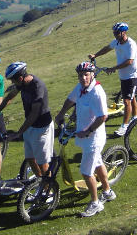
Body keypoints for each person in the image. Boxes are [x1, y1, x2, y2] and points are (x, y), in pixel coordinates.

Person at [54, 62, 115, 218]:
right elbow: (70, 99)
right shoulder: (81, 88)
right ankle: (107, 192)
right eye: (80, 75)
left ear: (92, 75)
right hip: (85, 134)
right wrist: (61, 113)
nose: (83, 77)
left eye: (86, 74)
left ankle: (95, 203)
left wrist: (88, 131)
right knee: (98, 163)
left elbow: (103, 116)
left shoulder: (97, 93)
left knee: (86, 172)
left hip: (93, 138)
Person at [0, 61, 54, 182]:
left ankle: (49, 190)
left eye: (13, 80)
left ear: (20, 77)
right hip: (30, 126)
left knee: (42, 163)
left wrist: (19, 132)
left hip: (42, 128)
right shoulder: (23, 83)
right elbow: (10, 96)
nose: (12, 83)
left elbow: (34, 114)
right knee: (30, 159)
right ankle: (41, 184)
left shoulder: (37, 87)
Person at [88, 22, 137, 137]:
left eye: (117, 33)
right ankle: (135, 118)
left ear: (124, 32)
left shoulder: (131, 44)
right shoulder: (116, 42)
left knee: (126, 101)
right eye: (114, 33)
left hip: (132, 75)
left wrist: (113, 68)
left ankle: (124, 126)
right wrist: (95, 55)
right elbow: (107, 48)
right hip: (124, 76)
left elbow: (129, 61)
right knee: (131, 98)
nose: (115, 35)